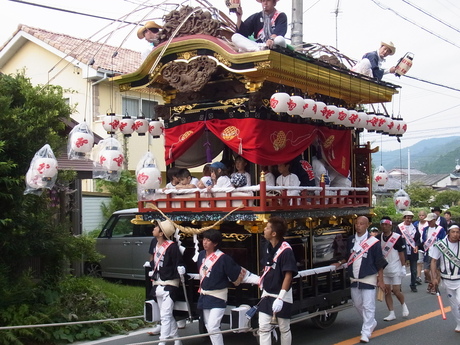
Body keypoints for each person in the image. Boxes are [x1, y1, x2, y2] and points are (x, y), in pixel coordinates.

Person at [197, 229, 258, 345]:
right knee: (208, 327)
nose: (205, 242)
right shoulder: (200, 255)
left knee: (213, 326)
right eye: (204, 239)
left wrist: (258, 280)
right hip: (204, 296)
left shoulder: (223, 258)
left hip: (218, 297)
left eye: (208, 240)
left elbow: (238, 273)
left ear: (215, 243)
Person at [336, 216, 387, 343]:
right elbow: (348, 256)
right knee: (357, 303)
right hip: (354, 277)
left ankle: (366, 331)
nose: (358, 226)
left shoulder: (373, 242)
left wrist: (381, 279)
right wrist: (339, 262)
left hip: (368, 276)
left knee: (368, 305)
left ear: (367, 225)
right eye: (357, 223)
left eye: (361, 224)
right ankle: (370, 322)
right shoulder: (351, 240)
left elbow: (379, 261)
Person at [258, 217, 298, 345]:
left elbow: (288, 275)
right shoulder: (266, 247)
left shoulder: (286, 250)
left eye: (267, 228)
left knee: (284, 328)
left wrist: (280, 298)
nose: (264, 229)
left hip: (282, 294)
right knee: (263, 328)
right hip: (267, 293)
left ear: (274, 233)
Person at [147, 220, 185, 345]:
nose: (154, 229)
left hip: (170, 283)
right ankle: (177, 339)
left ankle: (162, 342)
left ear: (161, 233)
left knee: (166, 314)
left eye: (156, 228)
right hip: (157, 282)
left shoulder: (172, 247)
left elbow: (178, 263)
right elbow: (153, 259)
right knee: (166, 314)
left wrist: (181, 269)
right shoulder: (154, 243)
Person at [377, 217, 409, 321]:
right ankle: (391, 312)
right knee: (387, 291)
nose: (384, 226)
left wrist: (403, 266)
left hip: (395, 268)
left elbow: (401, 253)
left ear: (390, 225)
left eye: (386, 224)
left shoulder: (397, 237)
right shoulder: (378, 238)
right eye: (382, 224)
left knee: (396, 290)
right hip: (384, 269)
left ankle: (403, 304)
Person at [430, 224, 460, 333]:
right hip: (447, 279)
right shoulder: (440, 245)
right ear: (448, 232)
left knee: (459, 301)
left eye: (457, 232)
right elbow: (433, 261)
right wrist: (434, 278)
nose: (455, 234)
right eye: (453, 232)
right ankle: (459, 323)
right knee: (454, 305)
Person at [421, 213, 446, 295]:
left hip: (437, 251)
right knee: (426, 270)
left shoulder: (440, 229)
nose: (428, 222)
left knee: (436, 270)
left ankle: (435, 286)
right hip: (427, 251)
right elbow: (423, 239)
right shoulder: (425, 229)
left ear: (434, 220)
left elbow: (443, 240)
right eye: (428, 221)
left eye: (430, 221)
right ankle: (431, 283)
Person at [398, 210, 421, 292]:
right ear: (404, 218)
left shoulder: (414, 227)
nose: (409, 220)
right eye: (407, 218)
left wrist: (417, 246)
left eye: (410, 218)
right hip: (402, 251)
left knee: (414, 270)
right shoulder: (399, 227)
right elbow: (396, 239)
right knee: (400, 269)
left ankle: (413, 284)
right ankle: (398, 286)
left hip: (413, 250)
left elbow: (418, 238)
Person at [413, 210, 428, 285]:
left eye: (423, 215)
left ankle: (427, 275)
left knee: (428, 261)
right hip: (419, 244)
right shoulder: (416, 224)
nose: (421, 217)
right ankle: (418, 276)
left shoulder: (428, 224)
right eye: (420, 215)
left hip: (427, 243)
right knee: (419, 261)